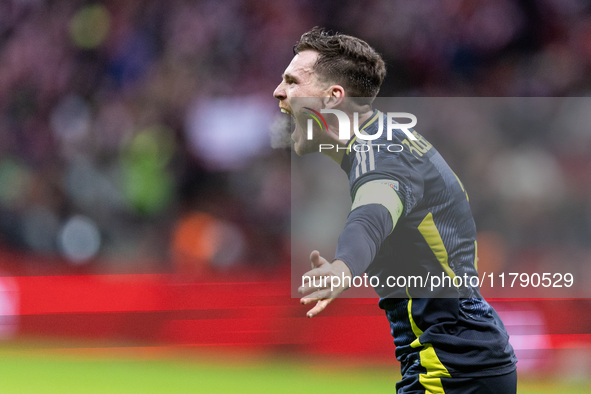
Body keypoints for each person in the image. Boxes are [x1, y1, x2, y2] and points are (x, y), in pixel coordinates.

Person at [273, 27, 517, 393]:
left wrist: (343, 267)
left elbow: (373, 214)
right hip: (468, 360)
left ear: (333, 97)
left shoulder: (380, 154)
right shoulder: (386, 138)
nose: (279, 92)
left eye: (292, 82)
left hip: (450, 370)